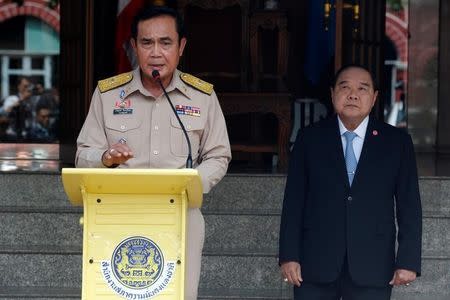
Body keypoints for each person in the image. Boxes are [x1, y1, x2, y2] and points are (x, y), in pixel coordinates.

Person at [76, 5, 231, 300]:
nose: (156, 52)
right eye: (147, 43)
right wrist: (106, 158)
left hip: (180, 215)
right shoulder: (108, 95)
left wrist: (192, 183)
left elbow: (218, 155)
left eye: (166, 42)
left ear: (181, 46)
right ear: (134, 46)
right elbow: (84, 152)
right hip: (118, 215)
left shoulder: (203, 97)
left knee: (177, 294)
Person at [279, 64, 422, 300]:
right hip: (315, 263)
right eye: (345, 87)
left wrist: (408, 260)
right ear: (333, 93)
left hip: (373, 264)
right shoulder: (310, 138)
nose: (353, 94)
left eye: (362, 89)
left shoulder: (397, 143)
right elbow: (294, 202)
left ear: (375, 97)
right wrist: (289, 256)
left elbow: (410, 206)